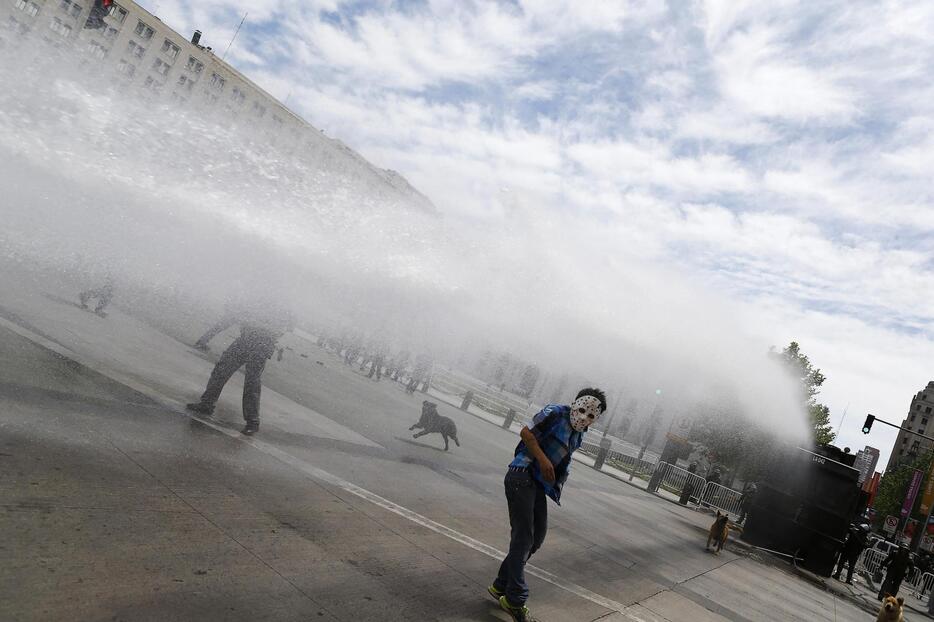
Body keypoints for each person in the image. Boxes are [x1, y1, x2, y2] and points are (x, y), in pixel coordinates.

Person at [488, 388, 607, 622]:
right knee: (523, 537)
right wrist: (543, 460)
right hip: (522, 474)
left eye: (591, 416)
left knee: (536, 537)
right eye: (582, 410)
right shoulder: (555, 412)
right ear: (574, 403)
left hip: (538, 485)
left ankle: (501, 585)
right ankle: (515, 599)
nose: (584, 418)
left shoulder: (579, 435)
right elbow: (526, 432)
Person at [186, 303, 292, 436]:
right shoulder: (259, 298)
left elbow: (279, 329)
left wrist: (254, 322)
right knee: (221, 370)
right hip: (245, 340)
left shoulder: (280, 305)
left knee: (251, 383)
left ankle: (252, 421)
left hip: (261, 345)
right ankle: (207, 404)